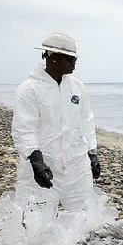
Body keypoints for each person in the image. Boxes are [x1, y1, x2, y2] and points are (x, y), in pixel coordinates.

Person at [11, 33, 99, 212]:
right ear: (52, 57)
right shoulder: (30, 89)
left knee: (81, 219)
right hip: (44, 164)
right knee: (34, 220)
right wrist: (36, 161)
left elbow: (86, 122)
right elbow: (24, 129)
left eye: (75, 57)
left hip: (76, 166)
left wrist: (92, 153)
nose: (74, 62)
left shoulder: (77, 87)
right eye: (69, 58)